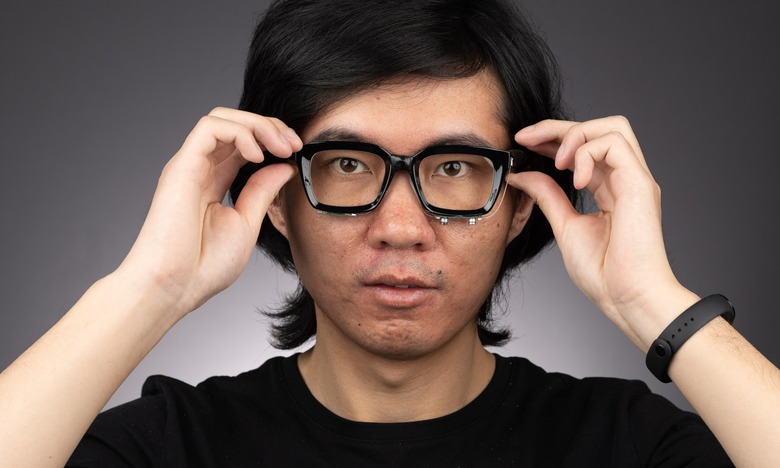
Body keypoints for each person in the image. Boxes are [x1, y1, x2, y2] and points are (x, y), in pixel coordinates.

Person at [1, 0, 778, 466]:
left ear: (519, 204)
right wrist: (151, 288)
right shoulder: (172, 447)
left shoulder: (626, 445)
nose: (401, 228)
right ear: (276, 197)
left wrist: (649, 300)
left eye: (454, 168)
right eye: (347, 164)